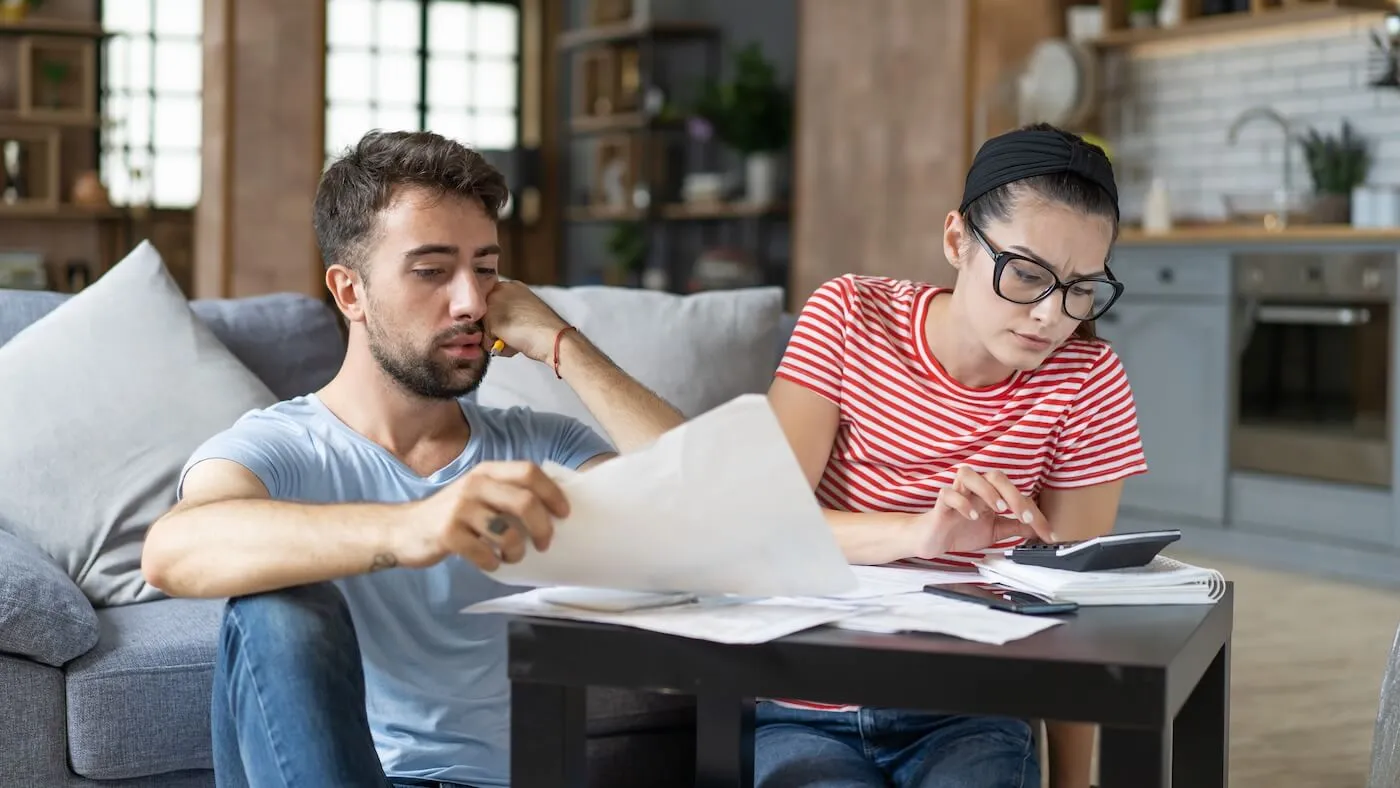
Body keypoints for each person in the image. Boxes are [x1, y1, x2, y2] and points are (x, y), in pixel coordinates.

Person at [140, 129, 687, 788]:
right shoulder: (279, 445)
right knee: (276, 606)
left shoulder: (540, 448)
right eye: (431, 271)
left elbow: (708, 515)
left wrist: (563, 343)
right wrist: (415, 526)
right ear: (350, 293)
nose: (469, 302)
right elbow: (173, 551)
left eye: (485, 270)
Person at [764, 123, 1149, 788]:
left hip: (974, 709)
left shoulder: (1087, 380)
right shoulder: (850, 317)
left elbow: (1069, 605)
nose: (1052, 317)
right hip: (803, 699)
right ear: (956, 241)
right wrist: (920, 533)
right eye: (1027, 274)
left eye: (1080, 287)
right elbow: (762, 524)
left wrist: (1076, 785)